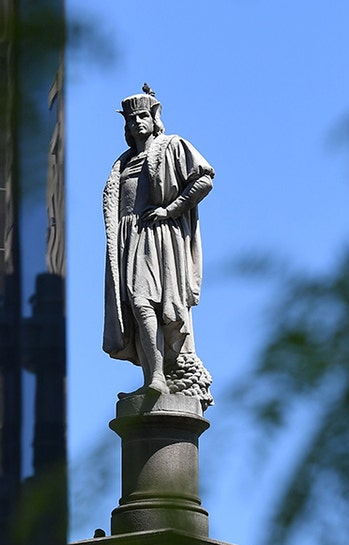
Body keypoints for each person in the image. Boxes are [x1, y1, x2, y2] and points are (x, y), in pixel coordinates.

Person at [102, 85, 214, 408]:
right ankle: (153, 375)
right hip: (127, 239)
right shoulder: (121, 164)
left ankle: (158, 377)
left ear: (154, 117)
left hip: (157, 237)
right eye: (132, 118)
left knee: (143, 301)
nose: (138, 122)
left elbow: (204, 178)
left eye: (143, 116)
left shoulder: (172, 146)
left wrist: (171, 209)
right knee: (134, 312)